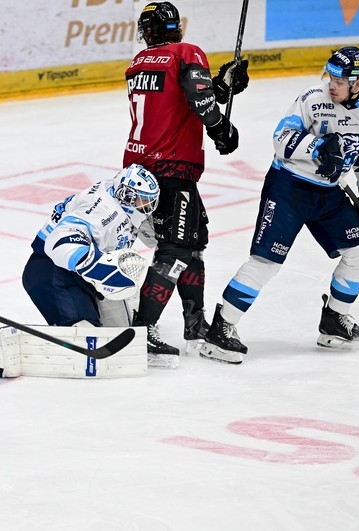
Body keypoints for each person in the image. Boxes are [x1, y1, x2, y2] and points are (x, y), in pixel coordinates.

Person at [200, 46, 359, 364]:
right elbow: (280, 137)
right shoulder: (313, 98)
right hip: (288, 187)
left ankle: (334, 321)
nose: (332, 85)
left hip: (329, 193)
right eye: (330, 76)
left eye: (340, 81)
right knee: (266, 262)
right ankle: (221, 329)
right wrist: (318, 146)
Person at [123, 1, 249, 361]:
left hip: (140, 167)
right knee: (177, 249)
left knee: (193, 244)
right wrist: (220, 129)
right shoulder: (187, 51)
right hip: (172, 169)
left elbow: (181, 100)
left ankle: (197, 328)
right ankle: (142, 332)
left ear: (149, 31)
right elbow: (199, 99)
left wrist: (221, 86)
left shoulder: (138, 64)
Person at [0, 164, 164, 374]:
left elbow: (149, 237)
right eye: (142, 200)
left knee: (120, 339)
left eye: (149, 201)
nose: (146, 206)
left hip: (82, 274)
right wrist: (103, 272)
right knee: (86, 342)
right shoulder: (102, 211)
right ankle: (2, 356)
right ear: (125, 195)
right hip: (53, 273)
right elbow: (60, 242)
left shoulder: (124, 202)